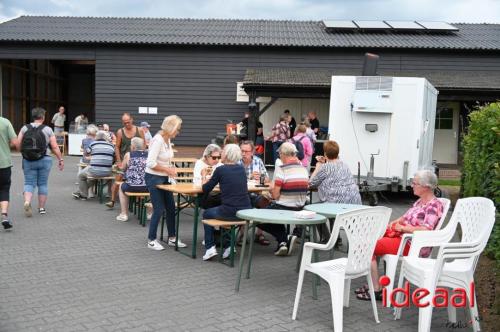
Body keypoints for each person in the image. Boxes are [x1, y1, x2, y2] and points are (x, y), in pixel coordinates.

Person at [355, 170, 443, 301]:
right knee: (370, 238)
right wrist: (395, 223)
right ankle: (375, 283)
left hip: (412, 245)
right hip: (402, 239)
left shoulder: (433, 206)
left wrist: (403, 228)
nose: (412, 185)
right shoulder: (420, 202)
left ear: (426, 186)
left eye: (415, 183)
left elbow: (426, 230)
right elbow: (405, 217)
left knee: (368, 246)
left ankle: (376, 289)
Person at [201, 144, 252, 261]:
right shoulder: (241, 169)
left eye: (222, 152)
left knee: (207, 213)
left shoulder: (220, 170)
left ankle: (210, 248)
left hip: (230, 211)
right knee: (224, 211)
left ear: (227, 155)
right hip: (245, 210)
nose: (220, 155)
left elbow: (205, 189)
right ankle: (229, 247)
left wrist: (204, 176)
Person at [258, 142, 309, 256]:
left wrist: (271, 190)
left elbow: (275, 196)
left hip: (284, 208)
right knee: (270, 210)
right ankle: (283, 242)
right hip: (300, 208)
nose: (279, 156)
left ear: (283, 154)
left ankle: (284, 238)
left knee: (257, 219)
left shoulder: (282, 169)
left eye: (279, 154)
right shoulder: (303, 169)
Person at [145, 115, 185, 250]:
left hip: (164, 178)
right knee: (159, 208)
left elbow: (165, 159)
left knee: (170, 208)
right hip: (153, 177)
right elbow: (150, 163)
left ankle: (172, 238)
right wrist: (168, 170)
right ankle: (151, 240)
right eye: (177, 129)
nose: (178, 132)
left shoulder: (167, 139)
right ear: (171, 128)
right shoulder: (158, 140)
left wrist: (169, 170)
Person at [17, 107, 64, 216]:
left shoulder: (24, 128)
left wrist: (24, 153)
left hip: (28, 160)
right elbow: (55, 147)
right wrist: (60, 159)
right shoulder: (48, 129)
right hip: (45, 159)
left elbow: (18, 143)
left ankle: (27, 202)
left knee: (29, 182)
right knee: (42, 184)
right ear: (42, 117)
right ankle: (41, 208)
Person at [107, 113, 144, 208]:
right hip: (124, 159)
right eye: (124, 123)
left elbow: (144, 145)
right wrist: (119, 161)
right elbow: (117, 147)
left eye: (128, 122)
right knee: (118, 179)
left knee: (140, 177)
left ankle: (140, 201)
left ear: (132, 120)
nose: (127, 124)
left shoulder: (139, 130)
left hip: (136, 160)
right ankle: (112, 200)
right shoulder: (120, 132)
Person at [309, 140, 361, 205]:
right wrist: (325, 162)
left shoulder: (325, 167)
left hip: (336, 205)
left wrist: (318, 167)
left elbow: (311, 184)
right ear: (337, 153)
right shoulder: (345, 165)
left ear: (325, 154)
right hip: (354, 202)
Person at [238, 140, 270, 246]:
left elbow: (267, 179)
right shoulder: (236, 162)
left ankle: (259, 233)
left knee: (266, 202)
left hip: (256, 193)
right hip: (241, 194)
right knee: (243, 204)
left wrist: (261, 177)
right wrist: (248, 177)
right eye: (242, 151)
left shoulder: (258, 161)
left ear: (252, 152)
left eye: (246, 151)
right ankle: (242, 234)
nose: (243, 154)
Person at [72, 131, 115, 200]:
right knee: (94, 178)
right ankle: (109, 194)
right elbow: (113, 157)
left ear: (96, 137)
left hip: (94, 170)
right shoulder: (111, 145)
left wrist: (94, 155)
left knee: (81, 176)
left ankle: (83, 195)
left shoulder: (93, 144)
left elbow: (86, 153)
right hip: (107, 172)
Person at [116, 137, 148, 221]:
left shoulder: (128, 154)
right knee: (152, 187)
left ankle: (124, 214)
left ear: (133, 147)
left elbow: (122, 168)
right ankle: (150, 213)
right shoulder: (149, 154)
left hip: (132, 186)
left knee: (121, 186)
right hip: (147, 187)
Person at [0, 115, 18, 229]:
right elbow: (15, 142)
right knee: (4, 188)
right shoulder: (5, 122)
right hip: (4, 163)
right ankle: (4, 215)